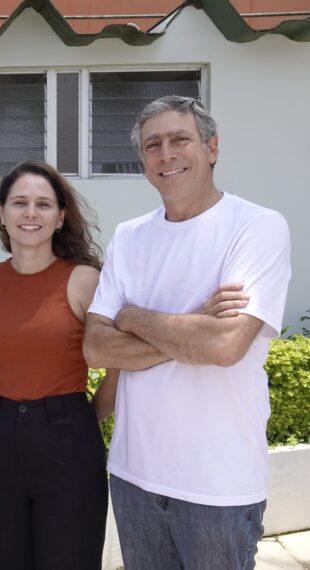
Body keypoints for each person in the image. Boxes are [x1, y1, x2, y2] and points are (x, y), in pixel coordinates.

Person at [84, 96, 291, 569]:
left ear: (212, 147)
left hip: (219, 486)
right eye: (153, 145)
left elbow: (224, 345)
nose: (166, 154)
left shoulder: (257, 228)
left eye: (180, 139)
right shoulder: (129, 236)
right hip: (135, 477)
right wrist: (191, 324)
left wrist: (133, 316)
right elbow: (96, 347)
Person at [0, 160, 110, 569]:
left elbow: (120, 366)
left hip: (69, 442)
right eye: (20, 203)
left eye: (44, 204)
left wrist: (82, 417)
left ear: (61, 216)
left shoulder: (85, 281)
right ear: (1, 212)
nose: (31, 214)